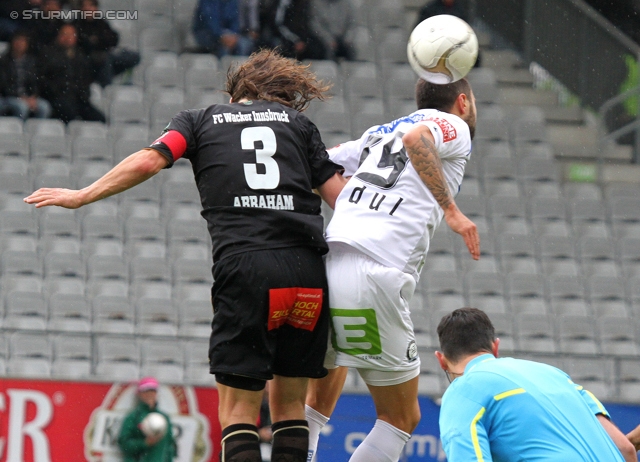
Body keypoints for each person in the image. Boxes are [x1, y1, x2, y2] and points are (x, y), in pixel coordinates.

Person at [25, 49, 347, 462]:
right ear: (278, 96)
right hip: (306, 276)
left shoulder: (198, 120)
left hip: (248, 270)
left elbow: (149, 160)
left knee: (238, 412)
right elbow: (342, 199)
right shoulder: (298, 125)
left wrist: (82, 194)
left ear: (235, 94)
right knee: (288, 409)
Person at [305, 78, 480, 462]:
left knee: (315, 400)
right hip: (375, 272)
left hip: (328, 262)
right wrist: (452, 211)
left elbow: (315, 160)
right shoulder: (456, 129)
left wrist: (350, 200)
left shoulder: (378, 132)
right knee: (400, 417)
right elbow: (418, 140)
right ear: (463, 102)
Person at [435, 307, 637, 462]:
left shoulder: (461, 391)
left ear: (441, 360)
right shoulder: (555, 374)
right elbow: (625, 449)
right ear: (495, 347)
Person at [38, 23, 106, 123]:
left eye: (71, 35)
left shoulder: (80, 56)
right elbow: (43, 79)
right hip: (57, 98)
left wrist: (83, 95)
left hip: (78, 99)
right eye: (65, 34)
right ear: (59, 36)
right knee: (69, 113)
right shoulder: (48, 54)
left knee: (99, 119)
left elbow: (85, 79)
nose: (68, 38)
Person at [73, 0, 140, 87]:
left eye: (91, 6)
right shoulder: (77, 24)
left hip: (106, 53)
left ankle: (115, 78)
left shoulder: (101, 22)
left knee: (133, 57)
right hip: (87, 58)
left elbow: (113, 39)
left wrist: (97, 41)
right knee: (105, 60)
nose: (88, 9)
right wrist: (99, 42)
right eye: (85, 6)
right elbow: (84, 44)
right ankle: (107, 87)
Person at [118, 377, 177, 462]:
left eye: (153, 391)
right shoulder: (133, 417)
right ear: (139, 394)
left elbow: (169, 447)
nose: (150, 394)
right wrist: (144, 443)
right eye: (146, 391)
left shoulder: (164, 418)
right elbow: (124, 445)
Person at [0, 30, 52, 120]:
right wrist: (20, 97)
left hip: (27, 97)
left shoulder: (31, 62)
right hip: (9, 97)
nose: (20, 44)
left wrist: (33, 96)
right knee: (21, 107)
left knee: (44, 107)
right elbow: (4, 85)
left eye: (23, 41)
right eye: (18, 40)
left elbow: (35, 82)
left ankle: (36, 131)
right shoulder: (4, 61)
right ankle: (18, 131)